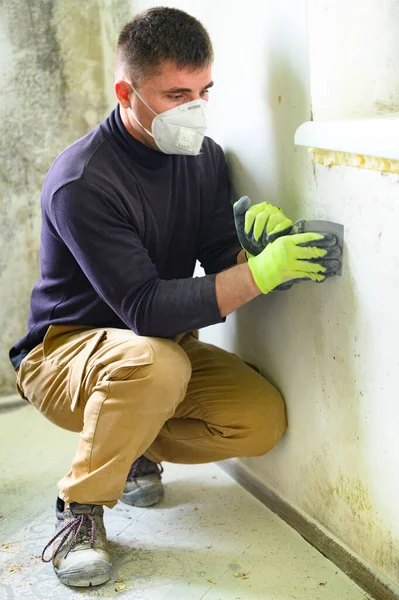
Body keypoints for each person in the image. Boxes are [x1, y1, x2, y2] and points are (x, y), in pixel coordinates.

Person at [10, 6, 340, 588]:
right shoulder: (83, 180)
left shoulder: (203, 158)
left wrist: (260, 252)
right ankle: (81, 511)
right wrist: (258, 276)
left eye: (204, 90)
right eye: (175, 93)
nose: (194, 108)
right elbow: (144, 307)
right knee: (156, 361)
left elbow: (219, 259)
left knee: (259, 420)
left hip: (151, 355)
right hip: (64, 356)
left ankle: (129, 442)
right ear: (125, 91)